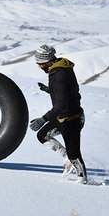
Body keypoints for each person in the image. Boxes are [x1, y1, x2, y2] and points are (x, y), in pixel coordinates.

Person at [29, 44, 87, 183]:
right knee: (42, 135)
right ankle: (67, 156)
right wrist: (50, 89)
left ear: (47, 61)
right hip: (62, 117)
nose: (39, 66)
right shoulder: (60, 69)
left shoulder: (58, 74)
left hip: (71, 120)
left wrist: (43, 119)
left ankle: (83, 181)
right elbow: (67, 90)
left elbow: (62, 104)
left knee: (75, 155)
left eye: (40, 63)